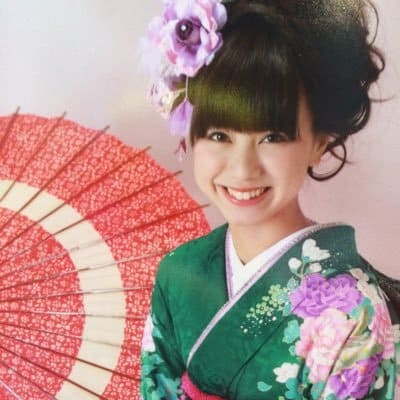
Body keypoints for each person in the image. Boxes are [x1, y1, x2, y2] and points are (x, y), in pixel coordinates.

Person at [140, 0, 400, 398]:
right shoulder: (178, 274)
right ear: (189, 135)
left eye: (272, 137)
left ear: (319, 143)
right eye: (219, 135)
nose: (243, 168)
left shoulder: (353, 312)